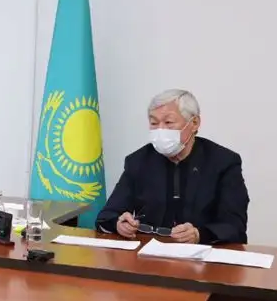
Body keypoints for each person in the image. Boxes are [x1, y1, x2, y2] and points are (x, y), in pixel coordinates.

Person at [95, 89, 249, 244]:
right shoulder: (138, 161)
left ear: (194, 123)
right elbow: (107, 215)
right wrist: (119, 224)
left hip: (203, 253)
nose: (160, 130)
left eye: (168, 122)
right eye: (154, 123)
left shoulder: (223, 162)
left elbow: (235, 225)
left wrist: (199, 234)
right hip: (148, 250)